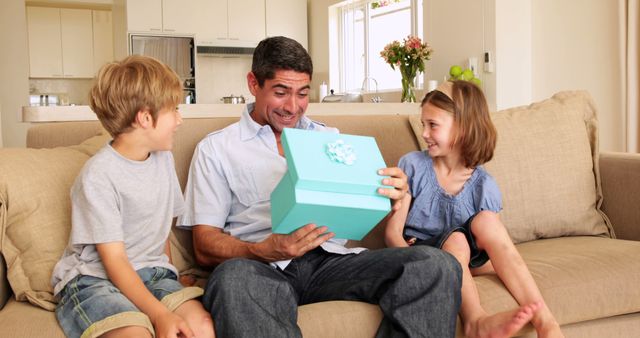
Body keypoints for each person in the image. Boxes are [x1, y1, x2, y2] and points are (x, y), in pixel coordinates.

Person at [178, 36, 462, 338]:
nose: (292, 107)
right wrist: (261, 250)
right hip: (260, 268)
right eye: (280, 92)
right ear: (253, 83)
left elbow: (356, 210)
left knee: (435, 265)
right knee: (232, 279)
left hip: (331, 263)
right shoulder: (217, 149)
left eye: (302, 94)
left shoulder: (330, 138)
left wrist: (390, 195)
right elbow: (204, 245)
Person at [50, 55, 215, 338]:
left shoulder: (163, 158)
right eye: (173, 110)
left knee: (200, 328)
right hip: (95, 279)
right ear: (145, 118)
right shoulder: (98, 176)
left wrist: (170, 274)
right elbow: (114, 261)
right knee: (135, 334)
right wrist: (161, 314)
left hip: (151, 273)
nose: (180, 119)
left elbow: (160, 230)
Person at [384, 80, 563, 338]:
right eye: (423, 124)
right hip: (421, 252)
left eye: (433, 125)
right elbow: (392, 234)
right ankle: (475, 321)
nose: (424, 133)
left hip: (463, 255)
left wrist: (491, 263)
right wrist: (413, 265)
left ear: (463, 128)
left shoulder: (484, 185)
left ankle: (545, 320)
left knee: (487, 222)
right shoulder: (412, 166)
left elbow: (492, 252)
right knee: (456, 240)